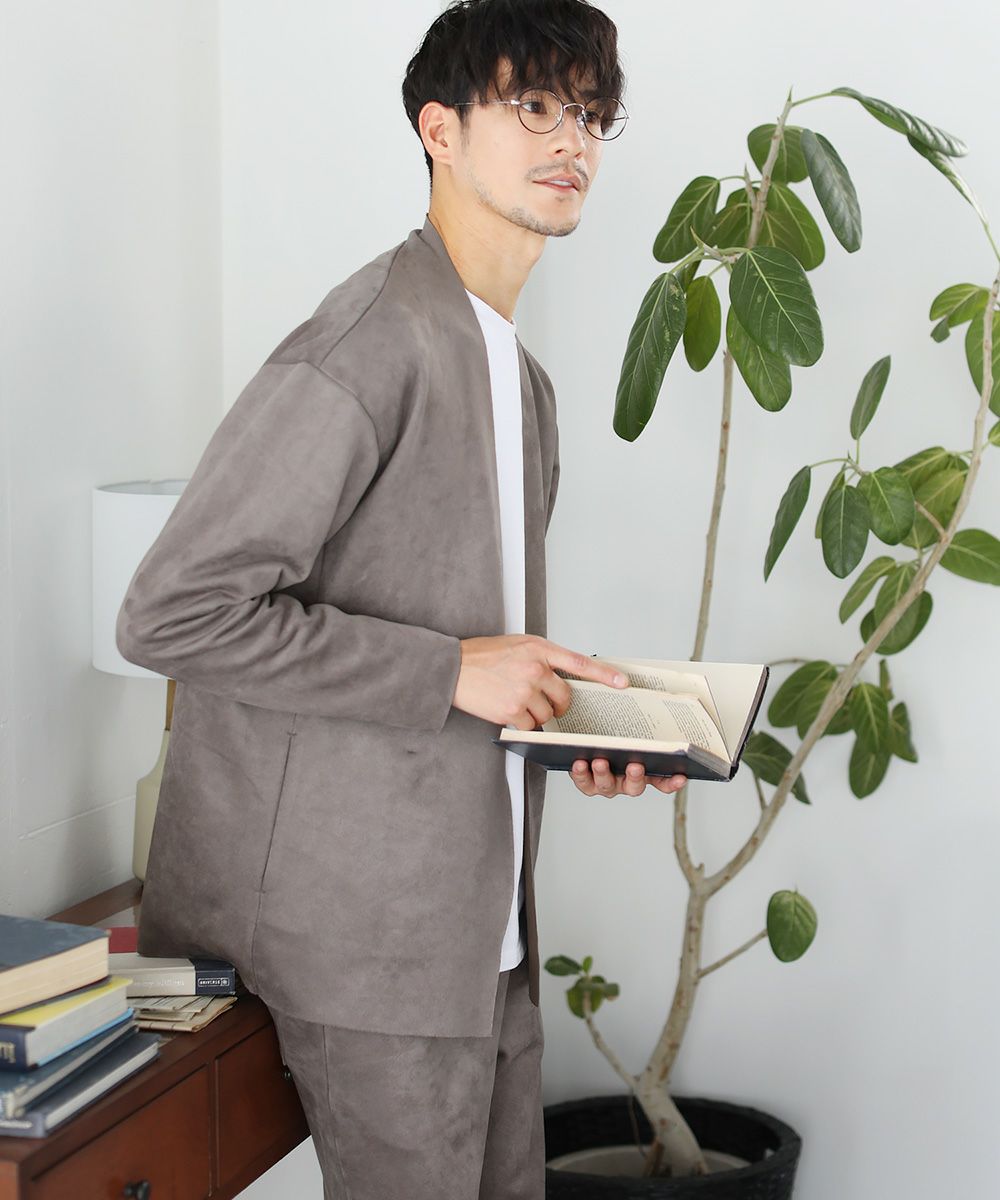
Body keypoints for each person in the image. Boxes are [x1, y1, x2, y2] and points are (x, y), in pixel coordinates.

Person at [116, 1, 687, 1195]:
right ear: (439, 130)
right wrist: (453, 672)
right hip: (362, 940)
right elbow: (173, 611)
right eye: (535, 105)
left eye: (591, 115)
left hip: (483, 928)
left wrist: (569, 720)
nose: (571, 139)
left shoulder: (522, 383)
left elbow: (472, 650)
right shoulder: (369, 343)